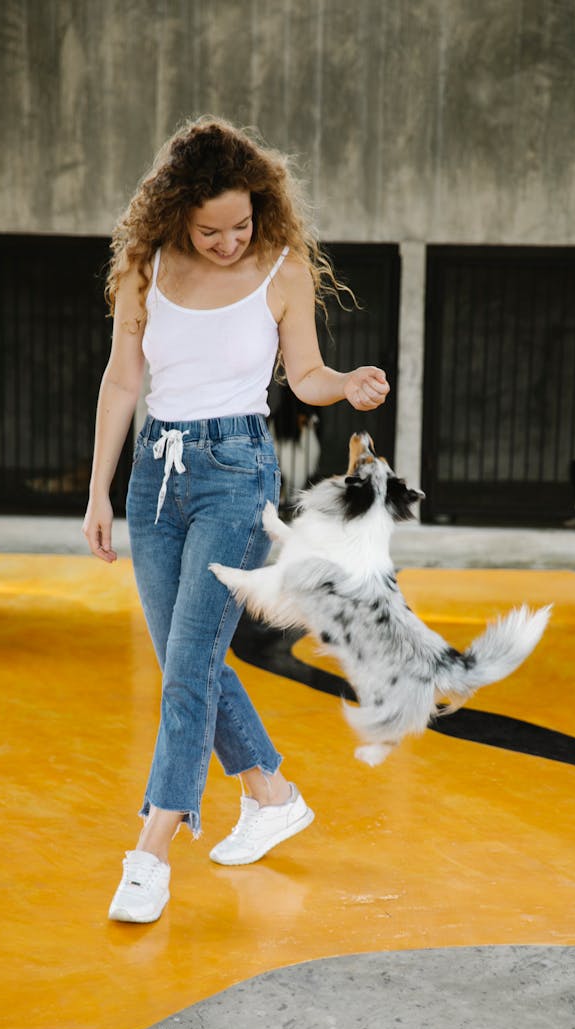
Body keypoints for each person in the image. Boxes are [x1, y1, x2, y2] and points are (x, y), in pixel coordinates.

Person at [82, 115, 389, 924]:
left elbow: (305, 374)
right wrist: (98, 492)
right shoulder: (142, 271)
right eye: (209, 228)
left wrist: (344, 382)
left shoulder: (282, 271)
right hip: (154, 478)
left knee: (186, 668)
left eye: (241, 225)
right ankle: (272, 793)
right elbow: (121, 384)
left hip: (234, 473)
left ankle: (150, 852)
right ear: (177, 210)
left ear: (261, 210)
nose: (226, 242)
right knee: (190, 659)